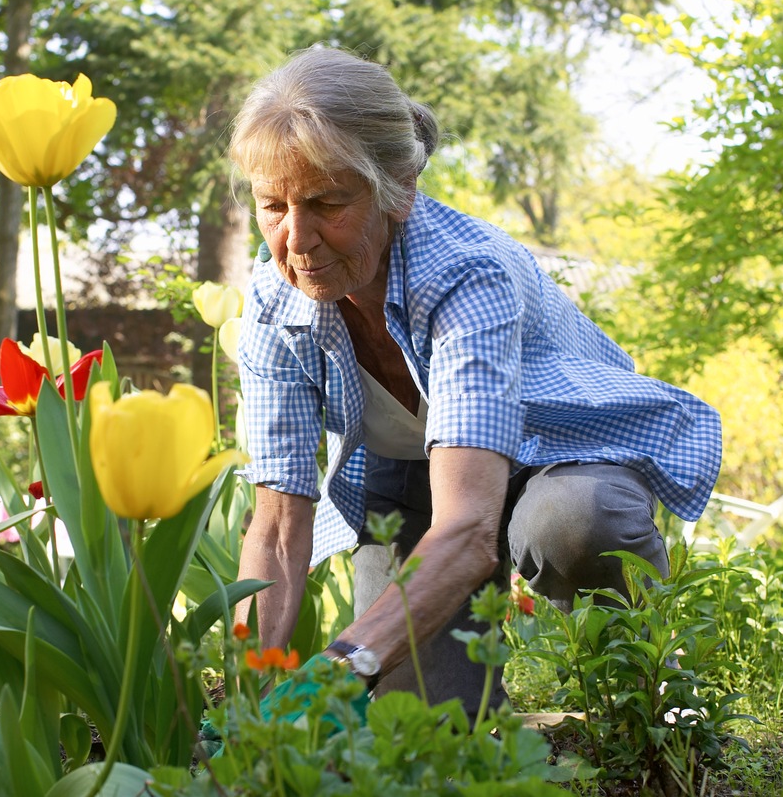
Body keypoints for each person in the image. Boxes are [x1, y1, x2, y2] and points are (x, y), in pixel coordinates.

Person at [227, 45, 722, 718]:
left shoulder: (465, 274)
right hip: (417, 480)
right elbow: (279, 525)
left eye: (326, 203)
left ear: (397, 188)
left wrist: (346, 663)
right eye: (272, 205)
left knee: (573, 523)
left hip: (557, 451)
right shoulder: (272, 299)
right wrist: (253, 693)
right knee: (420, 726)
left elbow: (466, 526)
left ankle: (653, 701)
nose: (297, 237)